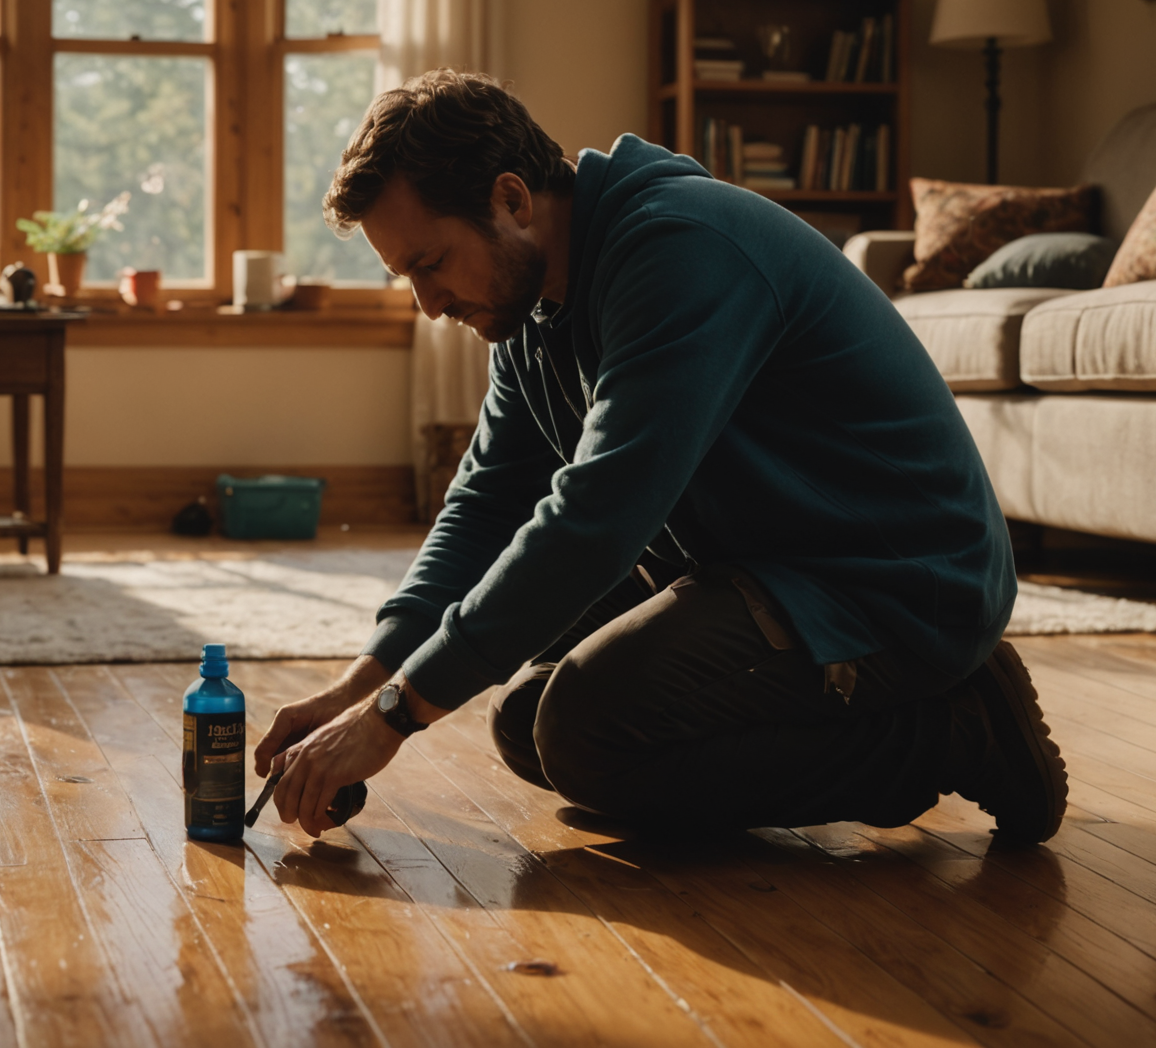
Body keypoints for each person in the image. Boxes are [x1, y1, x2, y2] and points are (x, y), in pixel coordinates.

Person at [254, 70, 1067, 844]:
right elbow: (485, 506)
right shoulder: (529, 308)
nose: (429, 306)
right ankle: (907, 712)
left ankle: (960, 730)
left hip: (896, 583)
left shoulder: (679, 248)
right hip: (765, 561)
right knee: (527, 724)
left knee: (585, 733)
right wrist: (359, 688)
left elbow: (598, 520)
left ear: (512, 199)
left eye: (429, 264)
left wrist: (392, 718)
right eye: (407, 277)